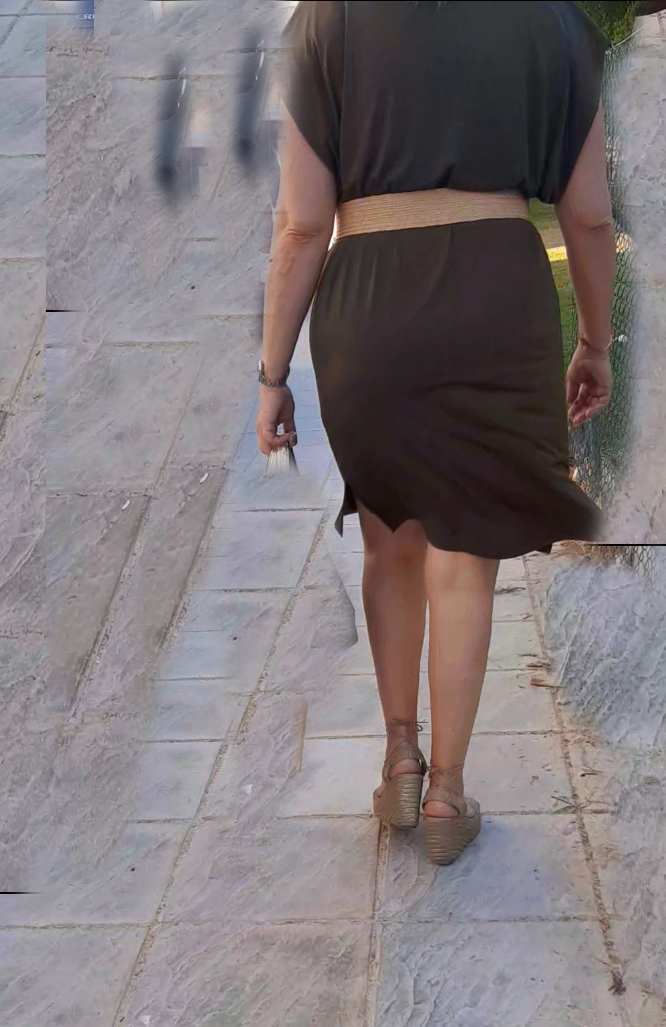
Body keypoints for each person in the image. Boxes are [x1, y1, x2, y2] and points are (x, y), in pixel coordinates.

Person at [256, 0, 615, 865]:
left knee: (391, 543)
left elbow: (301, 224)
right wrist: (595, 343)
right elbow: (590, 216)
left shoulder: (325, 20)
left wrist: (272, 375)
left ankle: (401, 761)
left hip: (370, 308)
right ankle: (451, 792)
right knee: (465, 556)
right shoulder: (552, 22)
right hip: (497, 299)